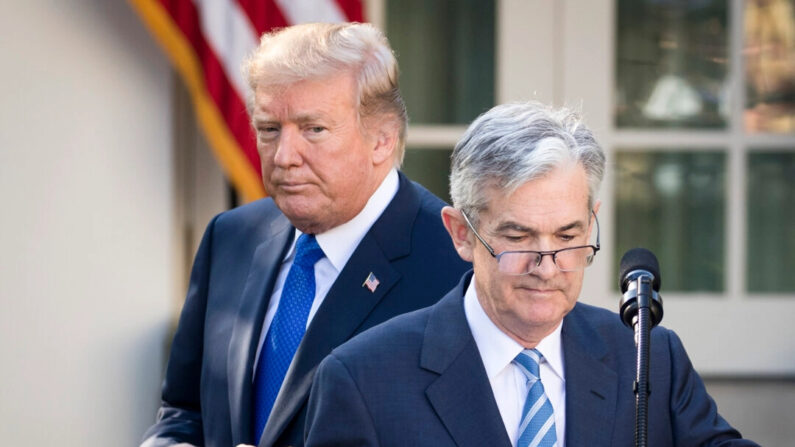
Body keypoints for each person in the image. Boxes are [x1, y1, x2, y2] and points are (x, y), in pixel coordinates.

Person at [304, 102, 759, 446]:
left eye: (567, 236)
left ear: (592, 220)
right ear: (461, 233)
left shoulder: (648, 357)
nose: (546, 267)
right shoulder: (362, 380)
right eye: (518, 237)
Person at [141, 22, 470, 447]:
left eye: (313, 129)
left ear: (382, 140)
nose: (284, 156)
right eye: (269, 129)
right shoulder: (231, 237)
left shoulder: (456, 264)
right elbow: (184, 412)